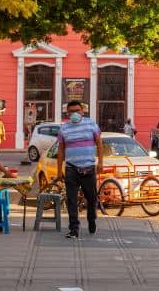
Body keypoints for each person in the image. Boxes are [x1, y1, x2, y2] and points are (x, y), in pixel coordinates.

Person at [57, 101, 103, 239]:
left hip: (88, 169)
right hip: (71, 168)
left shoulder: (91, 124)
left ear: (83, 111)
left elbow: (99, 143)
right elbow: (61, 150)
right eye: (71, 111)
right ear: (67, 113)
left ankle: (91, 220)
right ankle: (74, 229)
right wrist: (59, 171)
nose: (74, 114)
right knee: (71, 200)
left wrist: (100, 162)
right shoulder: (64, 128)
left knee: (91, 199)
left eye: (77, 110)